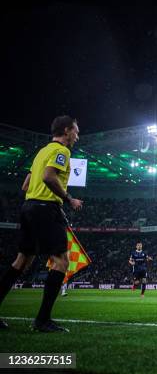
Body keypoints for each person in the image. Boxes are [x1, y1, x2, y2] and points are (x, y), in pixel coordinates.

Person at [0, 116, 82, 332]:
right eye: (76, 130)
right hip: (46, 208)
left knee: (21, 262)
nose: (77, 135)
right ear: (66, 131)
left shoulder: (41, 152)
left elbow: (26, 184)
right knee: (61, 262)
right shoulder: (62, 151)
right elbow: (48, 176)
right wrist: (68, 198)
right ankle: (42, 320)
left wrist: (37, 198)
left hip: (29, 208)